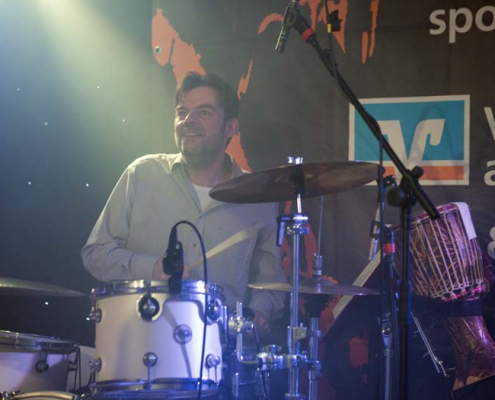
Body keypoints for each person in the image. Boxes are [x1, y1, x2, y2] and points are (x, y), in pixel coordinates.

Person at [81, 72, 286, 335]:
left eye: (204, 112)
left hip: (218, 350)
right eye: (182, 112)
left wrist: (259, 313)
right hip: (138, 341)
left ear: (230, 127)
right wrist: (151, 268)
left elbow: (271, 284)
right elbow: (96, 253)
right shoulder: (142, 174)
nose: (188, 121)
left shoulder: (258, 198)